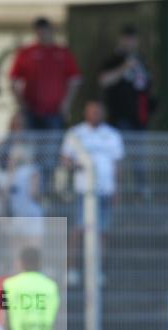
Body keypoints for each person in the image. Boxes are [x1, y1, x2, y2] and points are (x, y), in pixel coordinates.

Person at [60, 101, 124, 286]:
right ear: (86, 113)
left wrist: (117, 190)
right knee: (79, 230)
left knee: (102, 232)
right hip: (85, 191)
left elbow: (117, 165)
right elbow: (65, 159)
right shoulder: (75, 134)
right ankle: (71, 269)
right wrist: (76, 166)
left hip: (106, 190)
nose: (95, 115)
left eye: (98, 112)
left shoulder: (112, 135)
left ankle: (97, 271)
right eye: (92, 112)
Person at [9, 17, 81, 130]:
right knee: (31, 145)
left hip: (55, 111)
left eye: (45, 30)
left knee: (52, 144)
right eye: (39, 31)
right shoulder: (26, 53)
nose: (42, 34)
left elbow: (75, 80)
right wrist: (21, 103)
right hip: (31, 111)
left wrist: (66, 103)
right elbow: (13, 79)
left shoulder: (63, 53)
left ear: (51, 31)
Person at [99, 24, 154, 131]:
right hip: (120, 116)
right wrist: (124, 67)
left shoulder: (141, 59)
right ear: (121, 39)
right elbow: (103, 81)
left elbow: (146, 84)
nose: (130, 42)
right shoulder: (113, 60)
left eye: (133, 39)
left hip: (140, 115)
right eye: (127, 39)